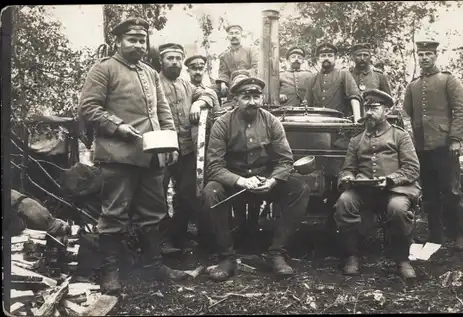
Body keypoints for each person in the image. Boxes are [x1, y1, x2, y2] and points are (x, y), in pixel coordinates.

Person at [78, 17, 188, 294]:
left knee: (154, 213)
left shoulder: (150, 73)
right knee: (114, 215)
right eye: (132, 39)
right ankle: (110, 272)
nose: (139, 45)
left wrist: (171, 143)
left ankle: (153, 266)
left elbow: (163, 112)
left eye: (142, 40)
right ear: (118, 41)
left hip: (151, 157)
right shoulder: (104, 70)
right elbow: (88, 108)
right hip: (118, 157)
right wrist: (117, 126)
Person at [202, 75, 311, 281]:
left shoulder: (272, 122)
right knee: (211, 192)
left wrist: (272, 181)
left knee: (300, 189)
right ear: (235, 100)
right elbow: (214, 166)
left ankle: (276, 253)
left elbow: (285, 160)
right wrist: (241, 181)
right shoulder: (222, 124)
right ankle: (227, 257)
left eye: (256, 96)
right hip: (234, 181)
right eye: (246, 96)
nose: (252, 101)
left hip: (265, 180)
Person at [335, 89, 421, 279]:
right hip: (366, 191)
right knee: (344, 202)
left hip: (396, 190)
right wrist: (347, 178)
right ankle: (352, 255)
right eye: (367, 108)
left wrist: (390, 179)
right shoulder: (356, 140)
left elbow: (412, 169)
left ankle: (402, 259)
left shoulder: (400, 136)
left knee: (398, 209)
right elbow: (347, 168)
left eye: (375, 107)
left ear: (386, 111)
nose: (369, 112)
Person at [403, 40, 463, 250]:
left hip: (445, 146)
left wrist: (455, 139)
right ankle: (435, 235)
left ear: (435, 56)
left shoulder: (448, 80)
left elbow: (461, 111)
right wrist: (409, 137)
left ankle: (459, 235)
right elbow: (405, 114)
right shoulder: (413, 85)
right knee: (430, 194)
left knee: (452, 191)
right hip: (422, 148)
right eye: (421, 54)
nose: (424, 58)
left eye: (428, 54)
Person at [157, 43, 218, 252]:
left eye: (177, 58)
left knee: (186, 194)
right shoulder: (153, 83)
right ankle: (162, 240)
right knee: (158, 194)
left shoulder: (186, 85)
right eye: (169, 58)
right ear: (161, 61)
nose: (174, 62)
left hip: (186, 149)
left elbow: (210, 94)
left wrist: (198, 103)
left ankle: (179, 236)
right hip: (160, 148)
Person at [305, 42, 362, 122]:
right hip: (317, 123)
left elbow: (354, 97)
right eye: (323, 56)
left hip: (338, 122)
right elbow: (307, 104)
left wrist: (357, 119)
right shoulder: (313, 78)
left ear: (335, 58)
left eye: (330, 55)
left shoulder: (343, 74)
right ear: (318, 59)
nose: (326, 58)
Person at [216, 25, 259, 98]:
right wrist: (223, 83)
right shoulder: (224, 56)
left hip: (249, 83)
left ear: (241, 35)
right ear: (228, 36)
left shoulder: (251, 50)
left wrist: (243, 76)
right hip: (232, 87)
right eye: (231, 33)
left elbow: (255, 68)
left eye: (237, 33)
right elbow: (223, 73)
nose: (234, 36)